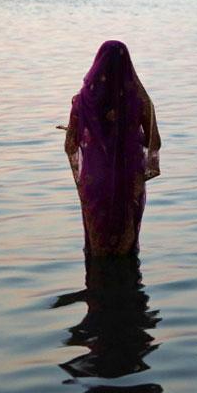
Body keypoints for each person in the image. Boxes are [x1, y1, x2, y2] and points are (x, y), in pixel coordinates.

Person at [64, 41, 161, 256]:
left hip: (95, 179)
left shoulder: (82, 102)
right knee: (126, 247)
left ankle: (96, 283)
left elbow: (70, 144)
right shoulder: (139, 101)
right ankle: (128, 285)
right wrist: (132, 137)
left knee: (97, 245)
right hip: (128, 179)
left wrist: (89, 138)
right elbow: (155, 142)